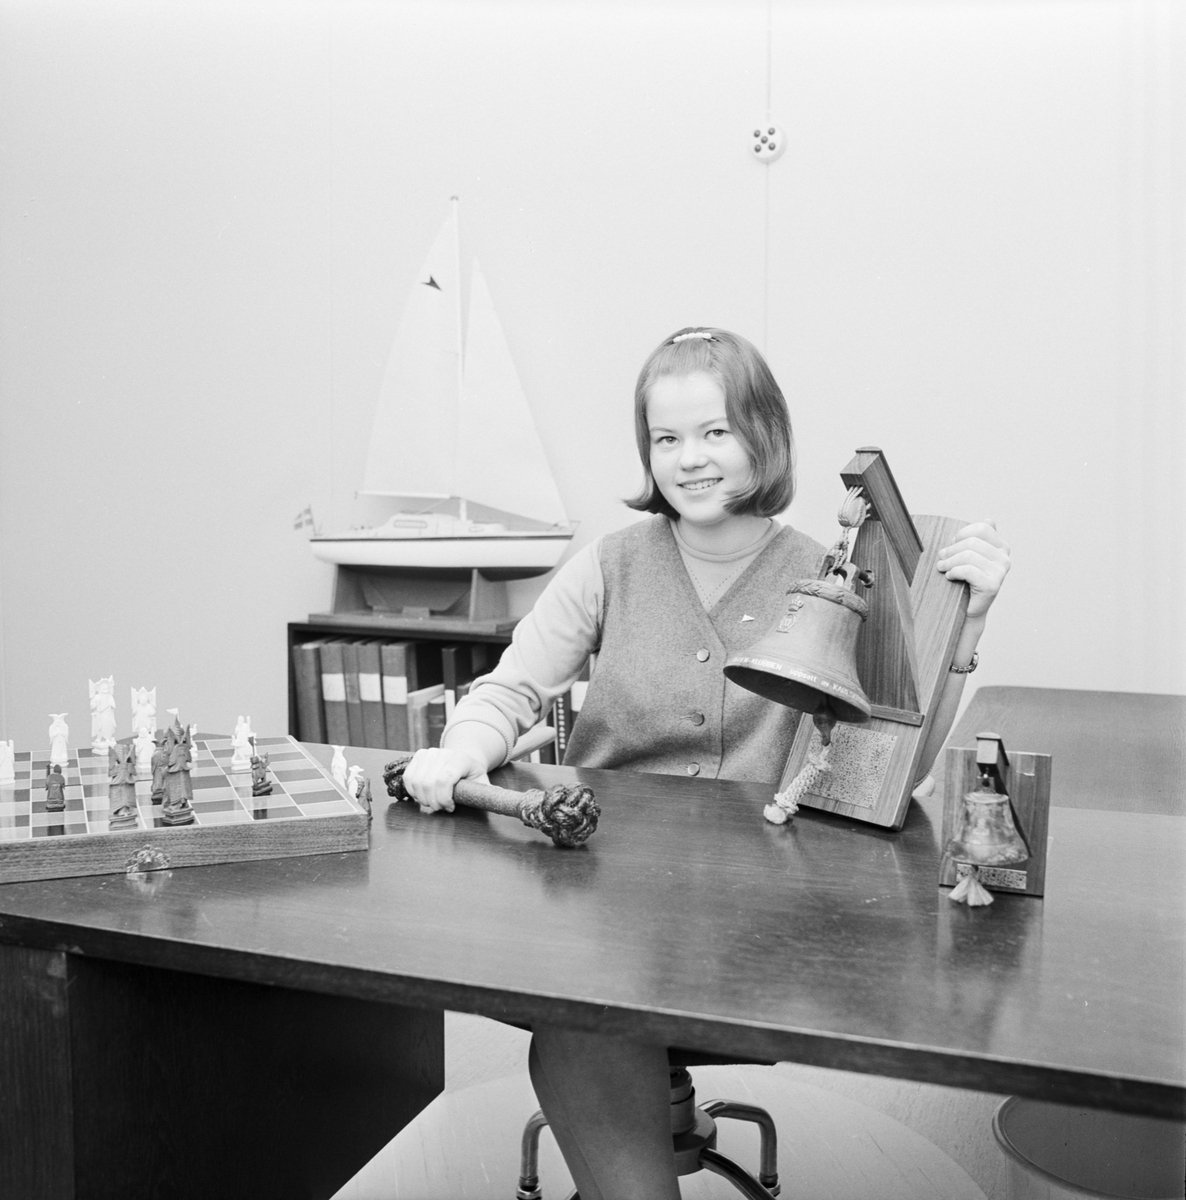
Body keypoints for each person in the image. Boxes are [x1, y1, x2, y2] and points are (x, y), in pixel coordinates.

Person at [402, 327, 1011, 1200]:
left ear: (764, 435)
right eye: (666, 438)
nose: (688, 458)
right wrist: (458, 752)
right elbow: (512, 689)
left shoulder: (834, 576)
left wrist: (969, 625)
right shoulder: (609, 565)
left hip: (756, 915)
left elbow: (889, 764)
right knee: (593, 1007)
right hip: (600, 899)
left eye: (714, 431)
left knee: (593, 1020)